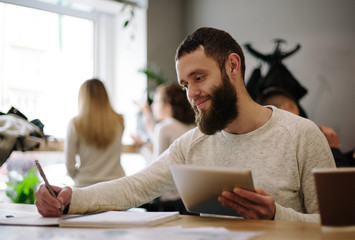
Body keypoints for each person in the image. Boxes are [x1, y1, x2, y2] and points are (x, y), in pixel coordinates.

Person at [35, 27, 335, 222]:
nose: (192, 94)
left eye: (199, 78)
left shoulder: (301, 135)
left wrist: (276, 215)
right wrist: (70, 197)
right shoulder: (193, 143)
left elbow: (338, 222)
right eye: (184, 84)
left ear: (233, 66)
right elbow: (135, 188)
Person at [133, 83, 195, 213]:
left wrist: (142, 148)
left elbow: (156, 168)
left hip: (168, 201)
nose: (152, 106)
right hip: (188, 200)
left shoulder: (164, 127)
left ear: (168, 105)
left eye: (156, 101)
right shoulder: (191, 127)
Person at [258, 87, 355, 167]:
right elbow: (339, 185)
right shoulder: (300, 141)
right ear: (287, 108)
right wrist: (333, 149)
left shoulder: (261, 146)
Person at [65, 78, 125, 187]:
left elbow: (70, 166)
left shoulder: (75, 124)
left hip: (85, 186)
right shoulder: (119, 121)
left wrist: (82, 177)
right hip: (116, 185)